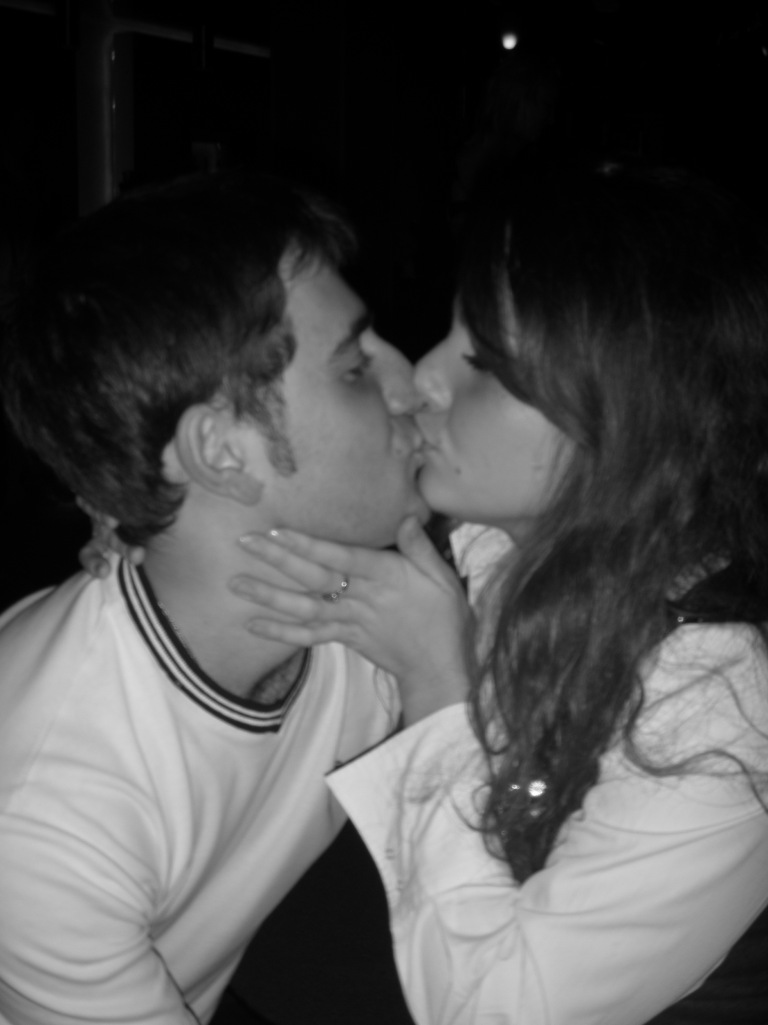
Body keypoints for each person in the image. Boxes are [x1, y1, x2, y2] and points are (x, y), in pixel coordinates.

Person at [225, 162, 768, 1024]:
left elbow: (497, 1009)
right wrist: (142, 503)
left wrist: (438, 688)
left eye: (485, 363)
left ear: (625, 413)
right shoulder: (485, 539)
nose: (424, 377)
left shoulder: (720, 698)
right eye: (451, 334)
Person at [0, 170, 436, 1025]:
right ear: (222, 453)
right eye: (355, 368)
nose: (412, 382)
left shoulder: (367, 598)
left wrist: (439, 673)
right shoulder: (50, 816)